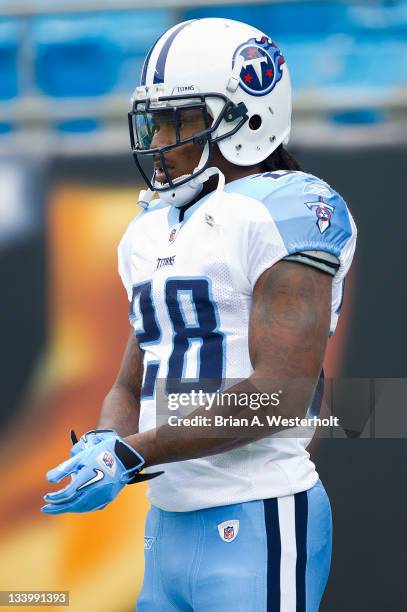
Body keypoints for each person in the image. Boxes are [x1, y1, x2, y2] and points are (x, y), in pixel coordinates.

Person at [42, 18, 357, 611]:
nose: (158, 137)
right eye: (154, 119)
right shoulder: (150, 228)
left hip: (259, 510)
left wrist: (132, 454)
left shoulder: (290, 206)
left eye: (178, 119)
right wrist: (106, 440)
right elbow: (129, 382)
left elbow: (280, 394)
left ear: (247, 115)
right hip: (167, 525)